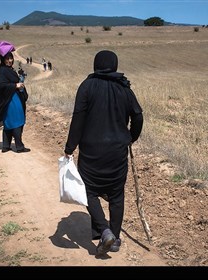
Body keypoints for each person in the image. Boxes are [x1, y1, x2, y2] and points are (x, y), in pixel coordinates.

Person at [64, 50, 143, 255]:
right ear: (114, 65)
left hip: (91, 152)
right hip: (117, 152)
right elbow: (138, 115)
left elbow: (78, 119)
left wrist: (69, 147)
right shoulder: (124, 88)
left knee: (88, 191)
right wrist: (130, 137)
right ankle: (114, 238)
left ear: (96, 64)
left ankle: (105, 230)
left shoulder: (86, 86)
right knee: (117, 194)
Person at [0, 41, 30, 153]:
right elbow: (0, 85)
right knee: (17, 120)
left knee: (9, 122)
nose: (10, 60)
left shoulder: (7, 70)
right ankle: (19, 146)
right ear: (3, 60)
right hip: (11, 101)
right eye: (7, 58)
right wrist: (15, 85)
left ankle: (6, 145)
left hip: (11, 99)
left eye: (11, 58)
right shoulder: (3, 71)